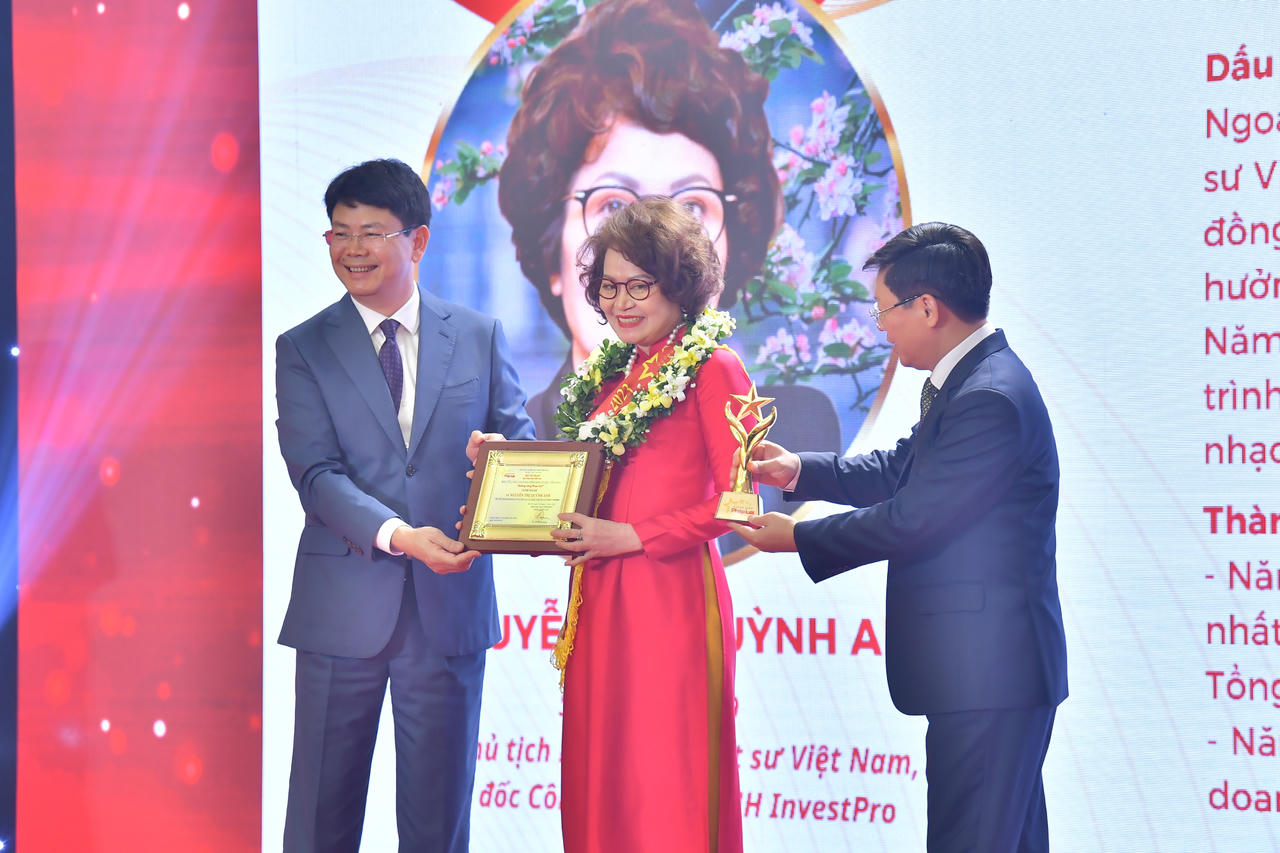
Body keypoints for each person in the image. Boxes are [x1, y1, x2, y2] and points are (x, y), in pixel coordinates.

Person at [730, 222, 1068, 853]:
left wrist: (799, 538)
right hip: (986, 674)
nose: (881, 326)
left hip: (990, 676)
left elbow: (916, 517)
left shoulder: (989, 396)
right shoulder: (971, 380)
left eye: (884, 309)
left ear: (928, 308)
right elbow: (898, 470)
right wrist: (799, 470)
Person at [273, 158, 534, 852]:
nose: (352, 249)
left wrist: (499, 457)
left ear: (417, 241)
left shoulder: (478, 334)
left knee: (437, 826)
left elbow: (522, 444)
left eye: (371, 232)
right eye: (340, 233)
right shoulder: (302, 347)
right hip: (340, 610)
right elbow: (316, 476)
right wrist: (397, 534)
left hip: (448, 611)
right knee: (319, 823)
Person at [497, 0, 841, 456]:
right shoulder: (520, 442)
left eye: (692, 207)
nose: (652, 256)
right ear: (552, 253)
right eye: (613, 204)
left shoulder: (794, 429)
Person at [547, 196, 751, 852]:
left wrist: (633, 536)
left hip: (670, 600)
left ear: (680, 282)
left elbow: (741, 503)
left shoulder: (715, 367)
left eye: (640, 285)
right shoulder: (613, 374)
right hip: (600, 597)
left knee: (663, 773)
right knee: (602, 769)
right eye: (609, 287)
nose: (621, 303)